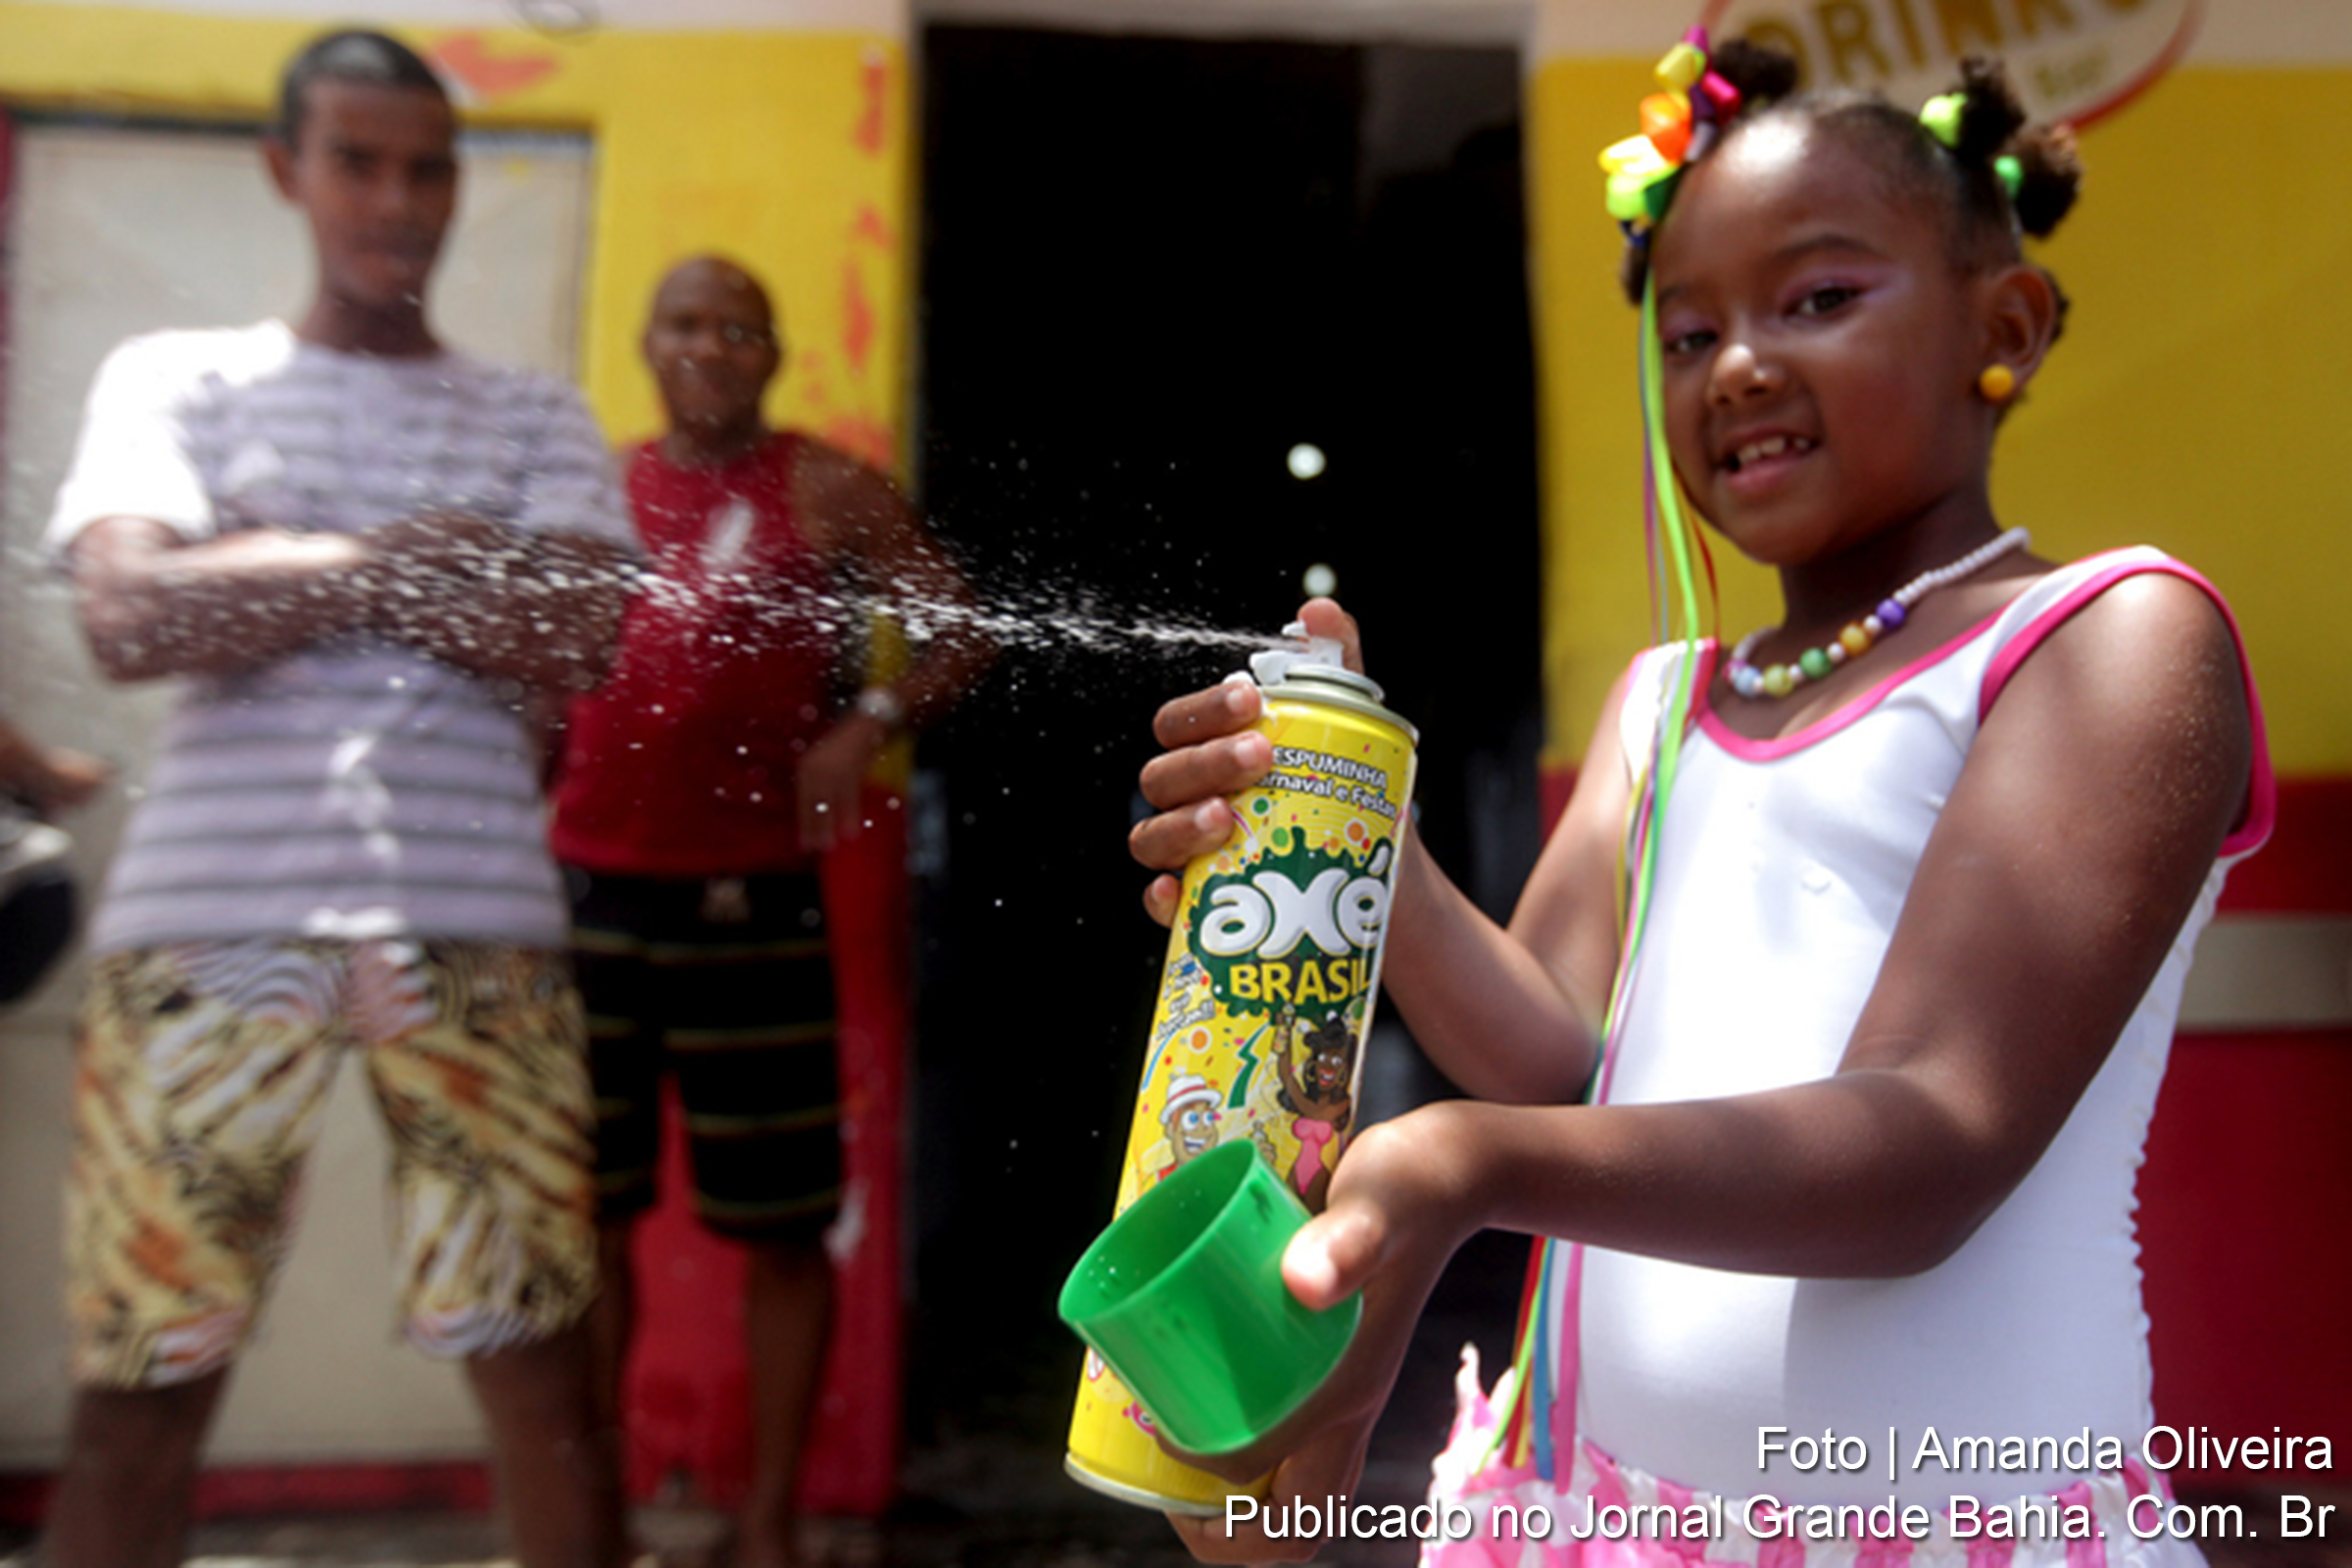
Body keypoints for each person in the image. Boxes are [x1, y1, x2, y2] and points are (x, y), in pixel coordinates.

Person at [1129, 44, 2268, 1568]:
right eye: (1686, 333)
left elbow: (1933, 1144)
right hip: (1613, 1525)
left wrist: (1466, 1165)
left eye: (1817, 299)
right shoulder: (1665, 702)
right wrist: (1356, 848)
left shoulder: (2108, 643)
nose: (1734, 365)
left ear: (2007, 326)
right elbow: (1553, 1057)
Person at [39, 29, 636, 1568]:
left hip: (484, 929)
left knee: (541, 1369)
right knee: (145, 1381)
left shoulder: (534, 414)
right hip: (204, 934)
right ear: (285, 170)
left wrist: (254, 565)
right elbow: (127, 617)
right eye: (358, 161)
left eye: (427, 166)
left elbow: (575, 631)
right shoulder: (177, 376)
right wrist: (385, 561)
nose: (398, 199)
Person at [547, 256, 992, 1568]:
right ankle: (600, 1517)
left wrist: (870, 720)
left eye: (741, 328)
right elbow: (545, 667)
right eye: (687, 323)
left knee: (785, 1228)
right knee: (590, 1219)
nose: (712, 349)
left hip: (755, 903)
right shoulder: (599, 486)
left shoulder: (824, 486)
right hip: (585, 892)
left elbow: (961, 628)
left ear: (774, 353)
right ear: (646, 339)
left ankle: (770, 1524)